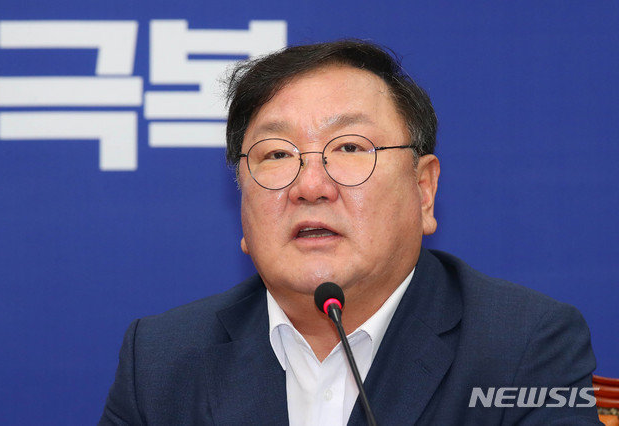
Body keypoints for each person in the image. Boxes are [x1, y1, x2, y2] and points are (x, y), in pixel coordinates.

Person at [99, 40, 601, 425]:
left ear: (424, 191)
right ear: (243, 208)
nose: (310, 187)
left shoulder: (524, 345)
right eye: (277, 154)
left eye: (350, 148)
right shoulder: (161, 361)